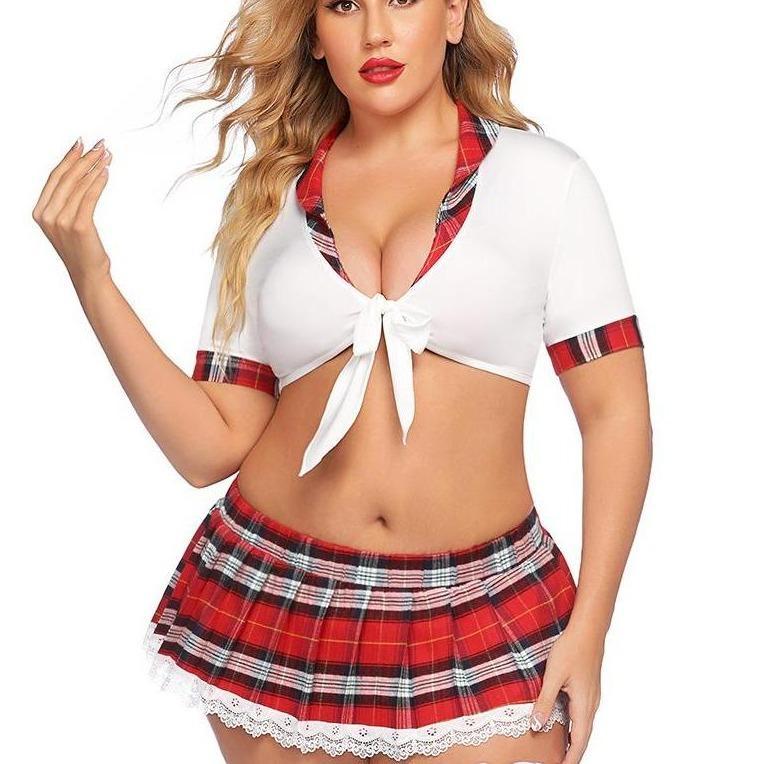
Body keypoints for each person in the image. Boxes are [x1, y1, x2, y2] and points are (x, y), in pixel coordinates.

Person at [31, 1, 652, 762]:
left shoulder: (546, 181)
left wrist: (592, 628)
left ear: (455, 15)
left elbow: (615, 415)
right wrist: (93, 279)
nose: (376, 31)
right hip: (284, 598)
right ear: (315, 35)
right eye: (344, 4)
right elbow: (210, 446)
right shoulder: (267, 197)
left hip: (483, 601)